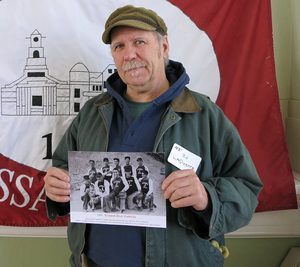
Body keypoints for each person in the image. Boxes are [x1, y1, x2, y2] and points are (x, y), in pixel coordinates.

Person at [44, 5, 263, 267]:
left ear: (164, 47)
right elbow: (63, 168)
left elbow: (246, 188)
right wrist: (57, 188)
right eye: (119, 46)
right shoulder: (93, 112)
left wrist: (206, 197)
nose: (129, 55)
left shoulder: (204, 115)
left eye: (139, 42)